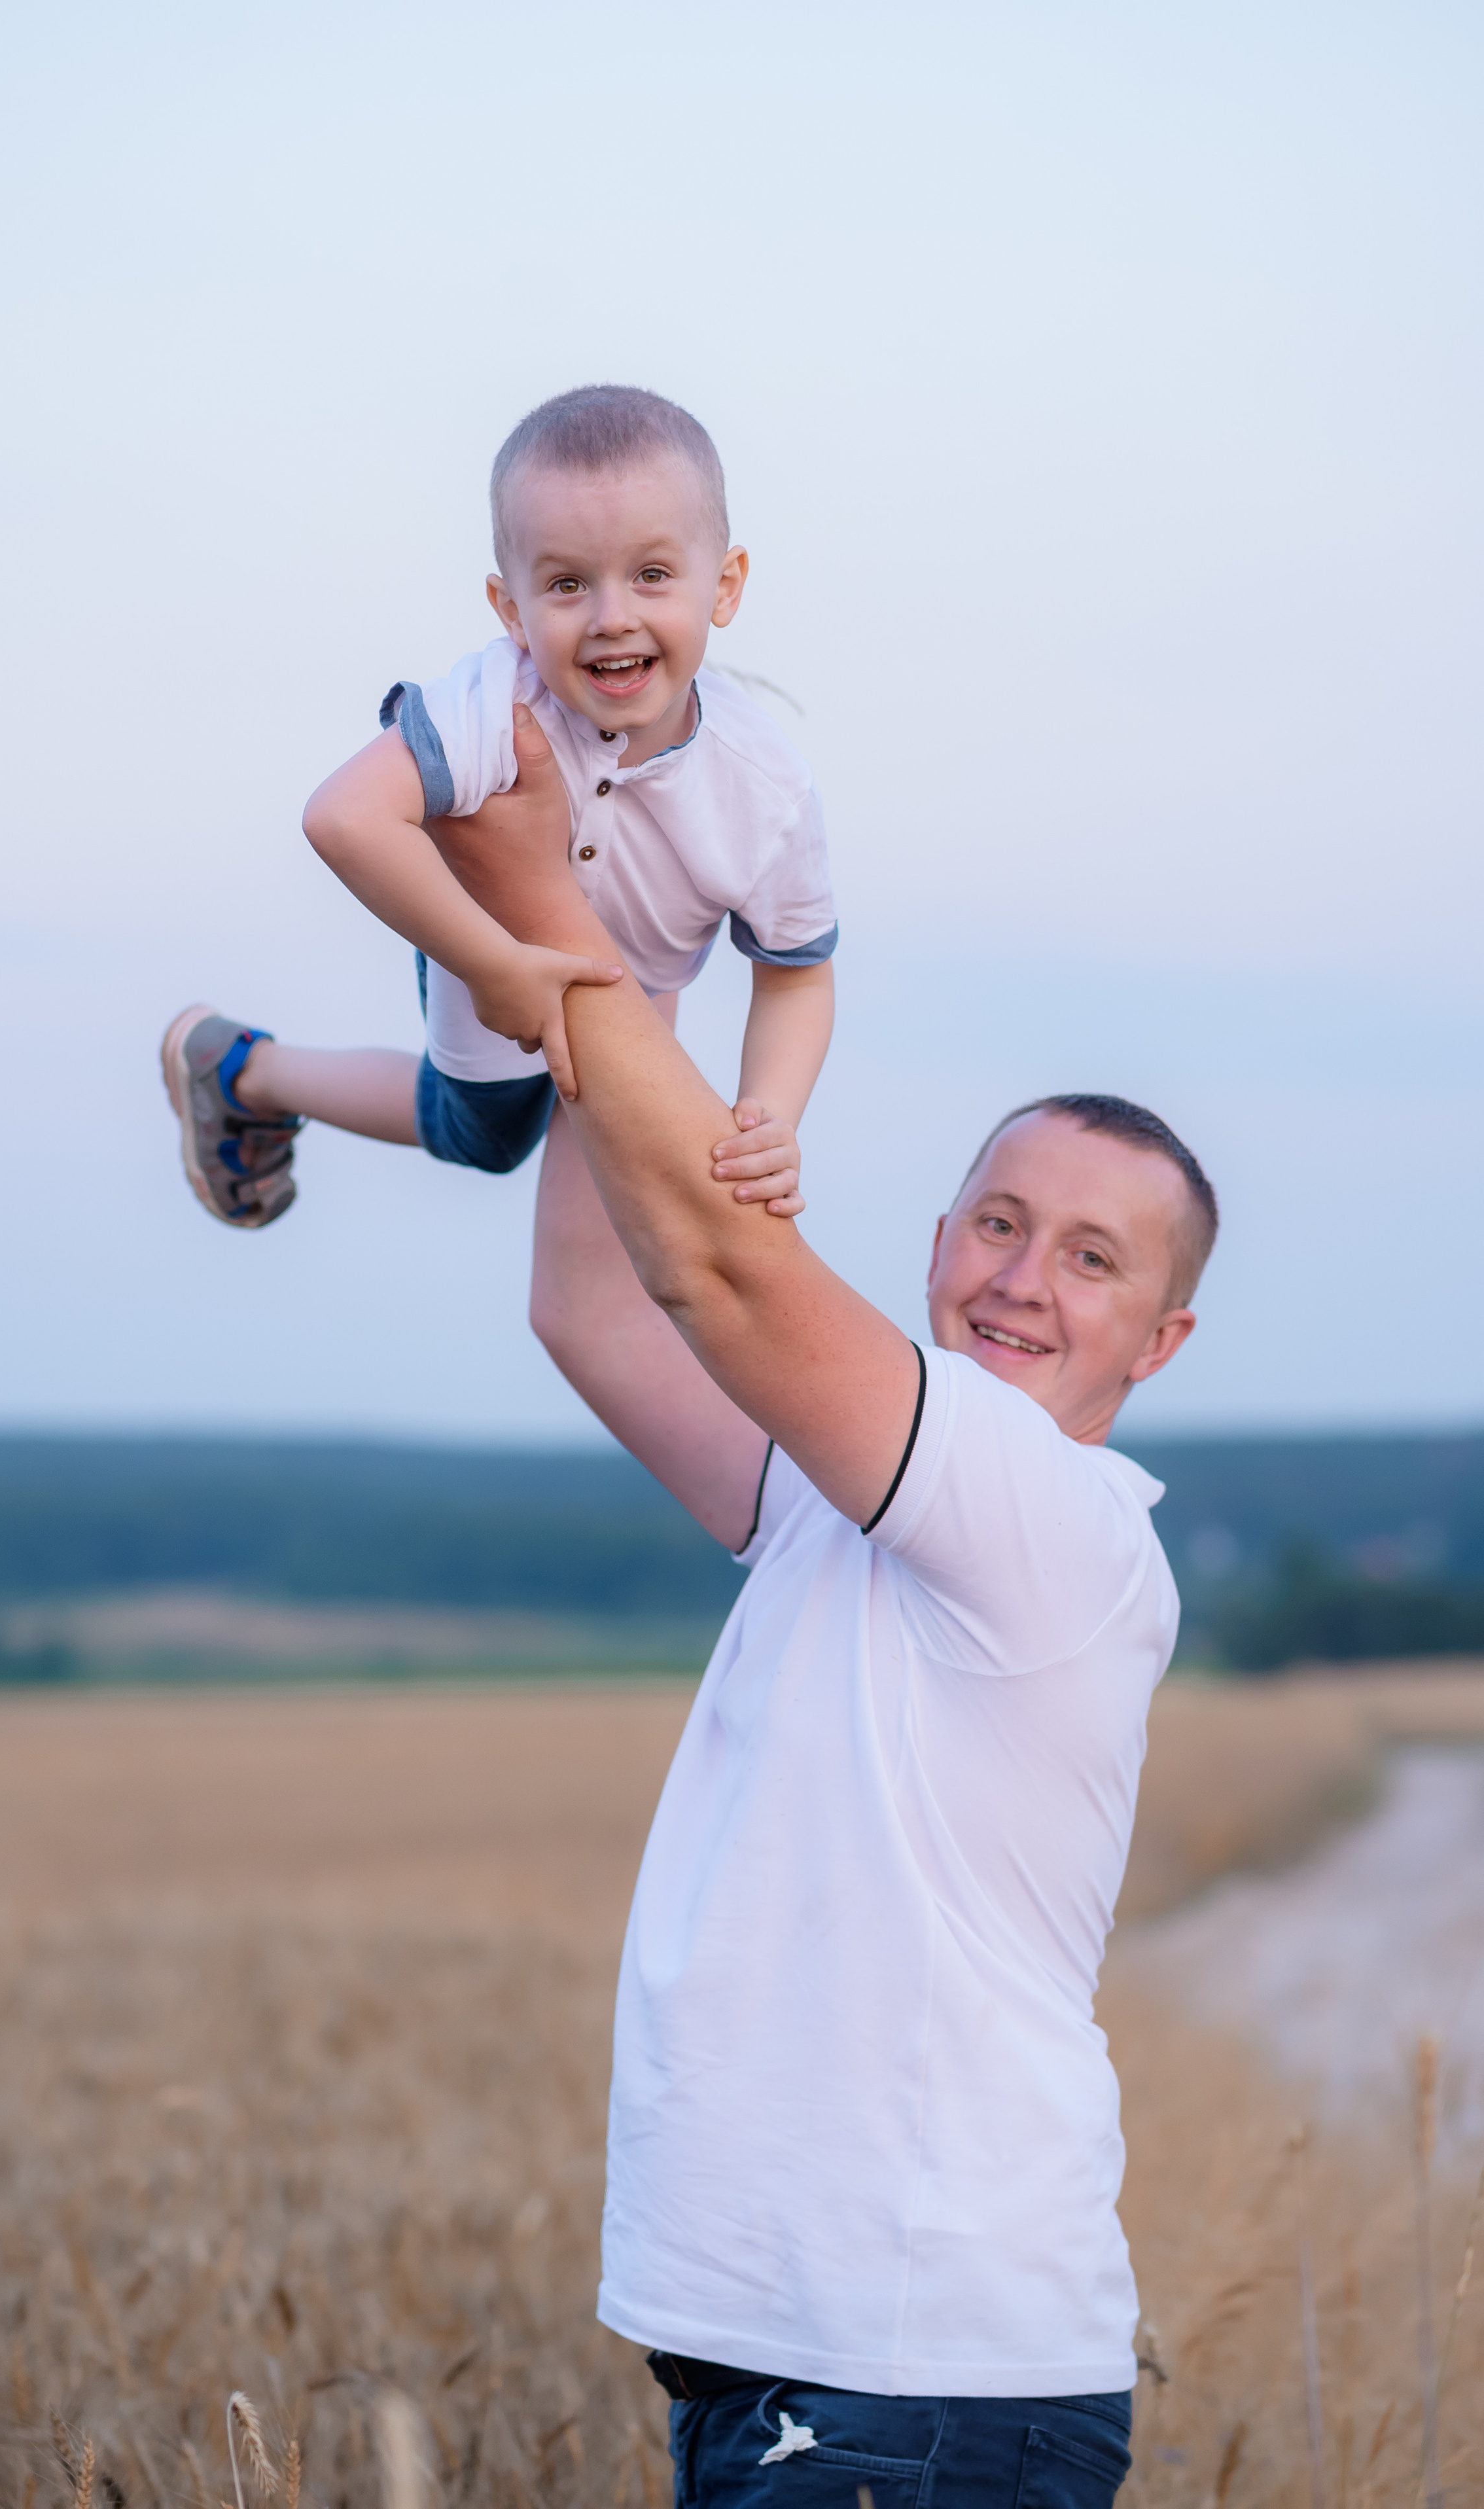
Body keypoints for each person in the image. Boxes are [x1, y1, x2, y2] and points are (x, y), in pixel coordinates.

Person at [425, 709, 1219, 2509]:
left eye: (1094, 1260)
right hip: (802, 2366)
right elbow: (599, 1304)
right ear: (935, 1237)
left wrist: (548, 893)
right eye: (998, 1224)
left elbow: (713, 1267)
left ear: (1161, 1344)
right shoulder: (836, 1503)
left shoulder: (1055, 1522)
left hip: (913, 2375)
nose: (1024, 1280)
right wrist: (619, 938)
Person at [160, 383, 836, 1234]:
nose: (611, 617)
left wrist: (771, 1112)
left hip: (641, 971)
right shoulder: (494, 706)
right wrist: (492, 966)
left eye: (654, 574)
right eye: (566, 584)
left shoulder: (766, 787)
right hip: (491, 957)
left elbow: (797, 972)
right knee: (483, 1134)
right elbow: (343, 817)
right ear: (512, 609)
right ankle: (240, 1071)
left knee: (646, 1117)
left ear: (725, 586)